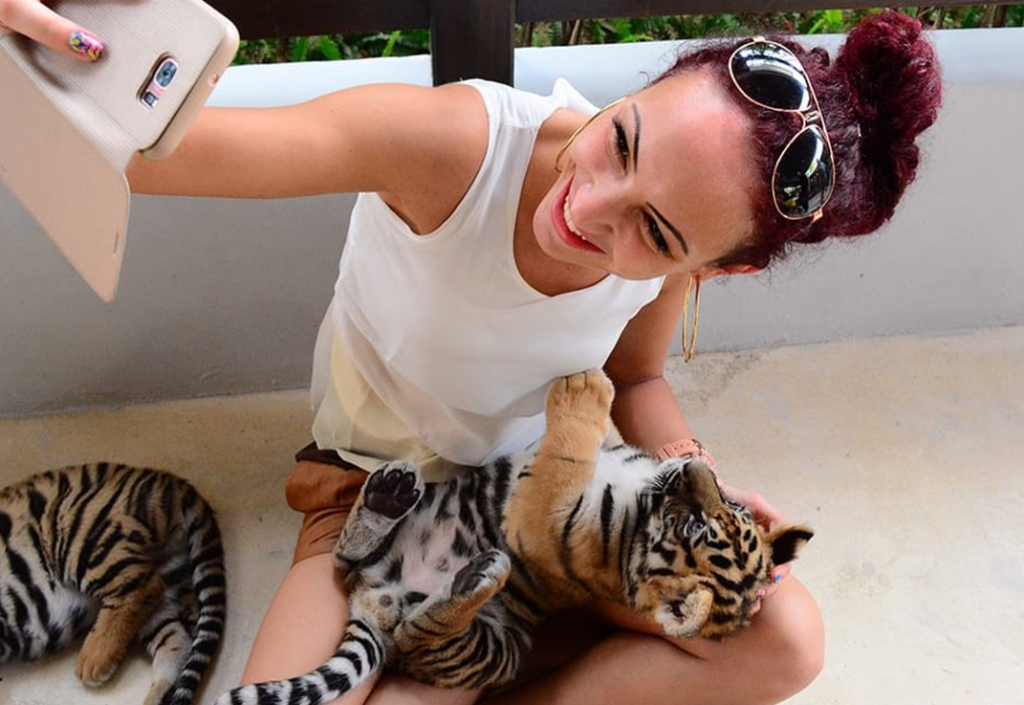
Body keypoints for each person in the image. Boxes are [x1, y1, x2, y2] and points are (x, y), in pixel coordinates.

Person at [2, 3, 942, 704]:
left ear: (717, 265)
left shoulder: (675, 262)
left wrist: (692, 469)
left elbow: (636, 377)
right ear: (639, 89)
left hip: (545, 516)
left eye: (654, 232)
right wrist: (44, 53)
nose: (589, 208)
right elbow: (154, 154)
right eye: (622, 141)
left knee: (785, 638)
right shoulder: (455, 145)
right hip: (371, 494)